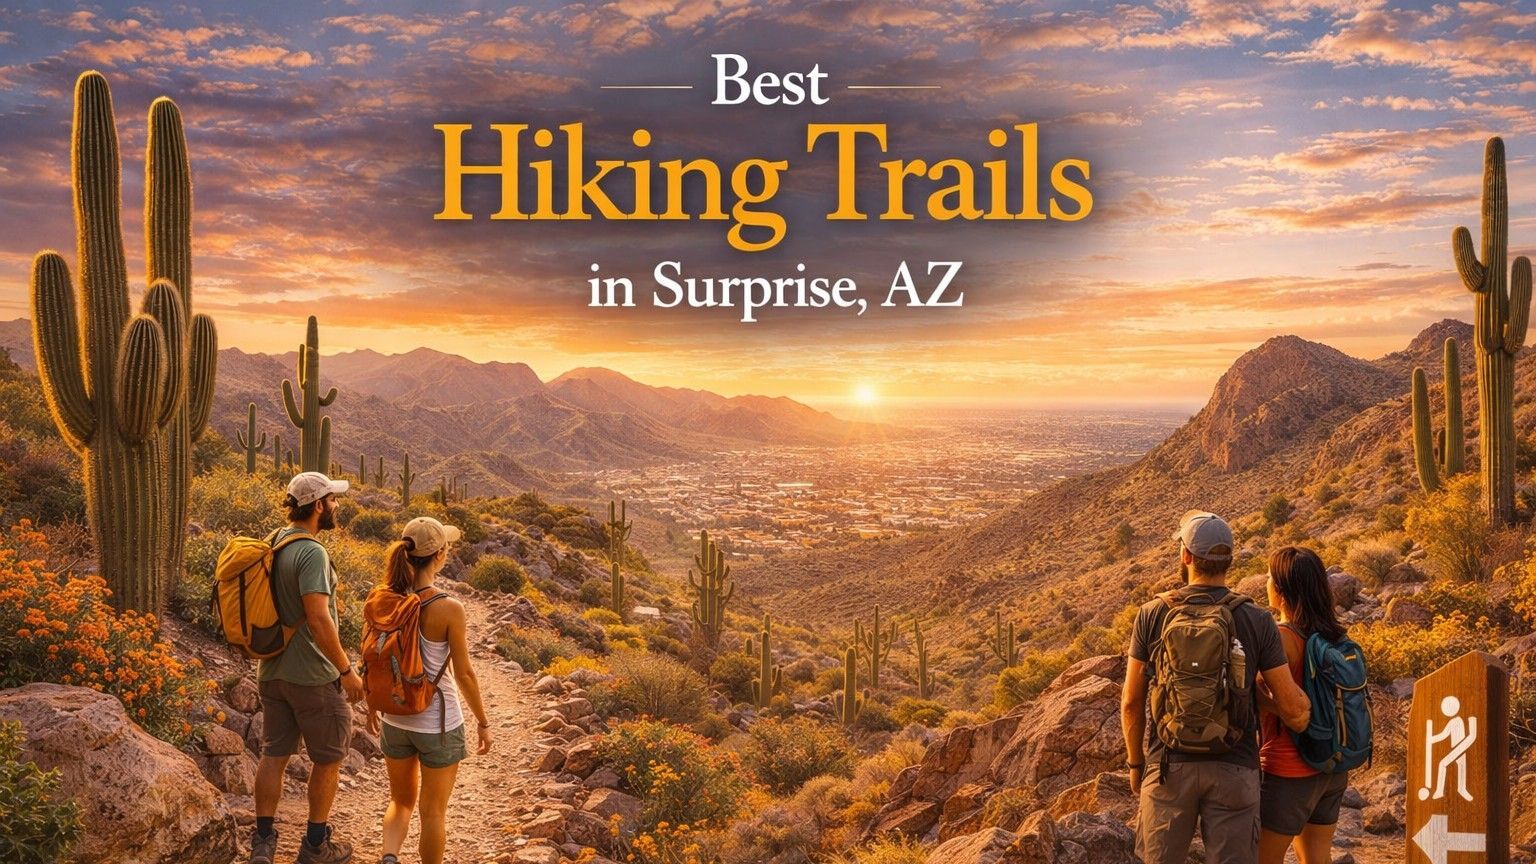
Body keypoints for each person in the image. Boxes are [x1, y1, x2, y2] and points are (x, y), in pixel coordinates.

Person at [1121, 510, 1312, 864]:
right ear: (1230, 559)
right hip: (1235, 765)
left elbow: (1132, 701)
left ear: (1186, 556)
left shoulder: (1152, 613)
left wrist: (1136, 765)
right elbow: (1293, 708)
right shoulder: (1257, 619)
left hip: (1167, 765)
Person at [366, 517, 493, 864]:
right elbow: (464, 673)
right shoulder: (449, 608)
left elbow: (374, 658)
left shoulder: (383, 599)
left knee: (400, 801)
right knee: (433, 812)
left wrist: (372, 704)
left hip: (395, 715)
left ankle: (390, 856)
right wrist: (482, 721)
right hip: (438, 722)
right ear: (440, 555)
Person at [252, 472, 363, 864]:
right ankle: (316, 845)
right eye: (332, 500)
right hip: (313, 677)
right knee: (329, 759)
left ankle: (263, 842)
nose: (336, 506)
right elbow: (318, 618)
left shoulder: (274, 542)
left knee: (273, 756)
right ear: (318, 505)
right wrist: (346, 670)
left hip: (272, 673)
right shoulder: (312, 552)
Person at [1258, 546, 1351, 864]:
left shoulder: (1281, 637)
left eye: (1269, 577)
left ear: (1282, 590)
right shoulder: (1333, 635)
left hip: (1290, 769)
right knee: (1316, 855)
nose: (1266, 583)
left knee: (1262, 858)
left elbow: (1256, 695)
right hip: (1333, 765)